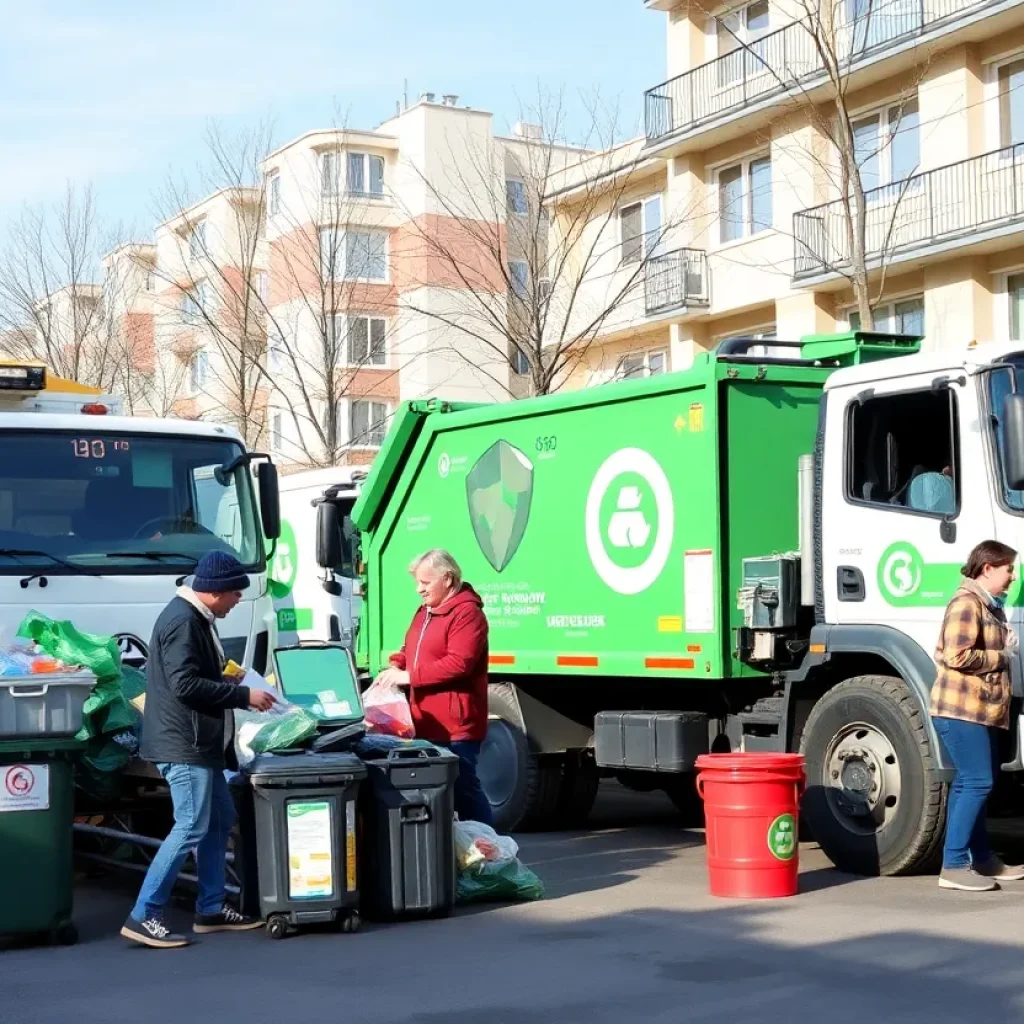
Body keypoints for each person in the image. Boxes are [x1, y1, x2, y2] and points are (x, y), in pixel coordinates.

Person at [121, 550, 277, 948]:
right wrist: (242, 695)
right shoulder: (182, 621)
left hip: (198, 745)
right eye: (235, 594)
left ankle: (210, 907)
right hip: (184, 744)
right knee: (191, 825)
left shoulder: (194, 617)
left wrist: (229, 677)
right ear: (215, 591)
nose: (238, 600)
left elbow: (193, 676)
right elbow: (185, 685)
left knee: (220, 819)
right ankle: (145, 914)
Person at [931, 539, 1023, 892]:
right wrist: (1002, 655)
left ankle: (982, 860)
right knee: (978, 781)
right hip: (960, 710)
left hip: (978, 709)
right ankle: (953, 866)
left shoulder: (988, 605)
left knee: (973, 784)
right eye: (1008, 569)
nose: (1012, 577)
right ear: (987, 568)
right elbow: (956, 656)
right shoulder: (966, 603)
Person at [377, 549, 493, 825]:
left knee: (464, 790)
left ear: (448, 579)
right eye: (418, 583)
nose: (419, 589)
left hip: (456, 727)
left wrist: (410, 677)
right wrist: (396, 664)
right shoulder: (425, 612)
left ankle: (493, 851)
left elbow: (459, 663)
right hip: (425, 722)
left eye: (425, 583)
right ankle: (457, 854)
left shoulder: (468, 615)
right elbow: (410, 647)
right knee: (438, 794)